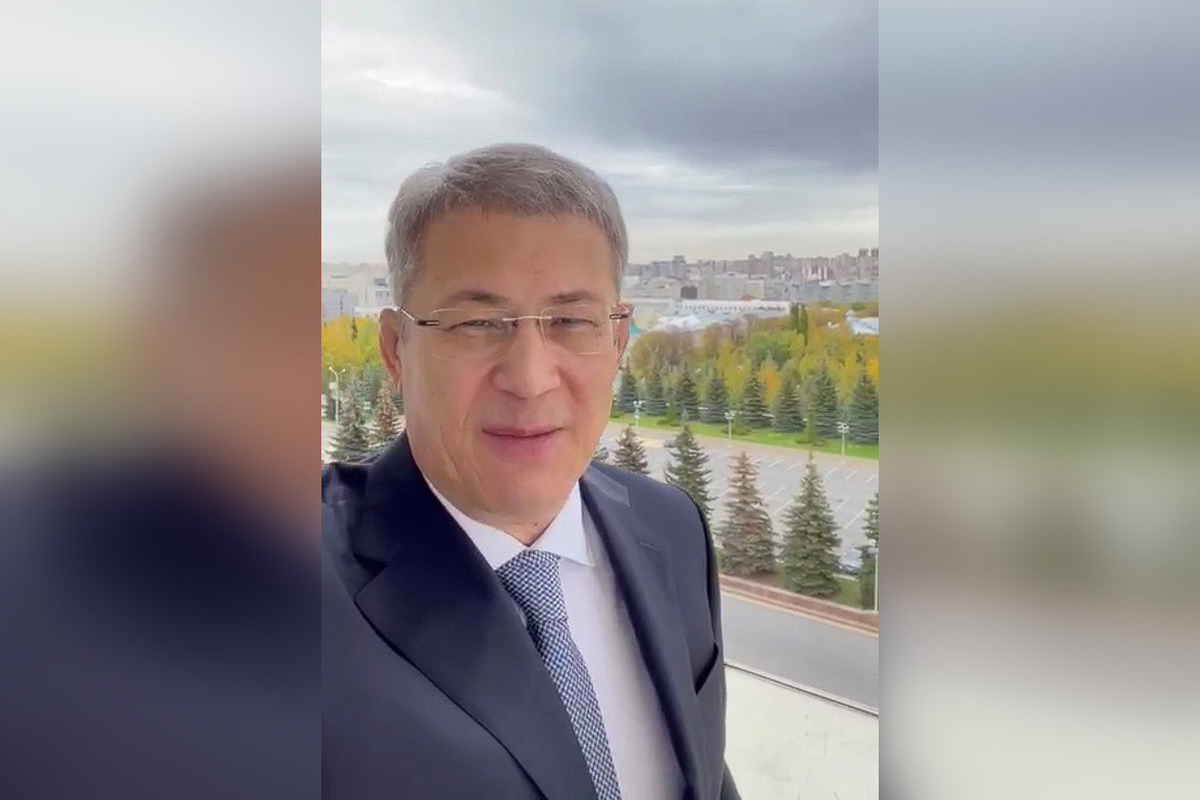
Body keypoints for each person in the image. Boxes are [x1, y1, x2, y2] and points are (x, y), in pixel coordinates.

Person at [322, 143, 740, 800]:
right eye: (478, 323)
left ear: (617, 342)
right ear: (396, 350)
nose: (530, 378)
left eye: (571, 320)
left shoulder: (672, 529)